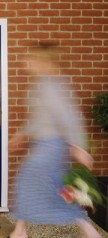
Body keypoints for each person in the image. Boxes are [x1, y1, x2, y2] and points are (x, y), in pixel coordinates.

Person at [8, 43, 102, 238]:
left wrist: (78, 147)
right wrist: (21, 135)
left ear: (42, 61)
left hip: (50, 147)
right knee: (53, 189)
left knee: (28, 183)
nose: (25, 62)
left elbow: (69, 117)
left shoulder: (52, 86)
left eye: (30, 59)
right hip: (45, 146)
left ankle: (20, 232)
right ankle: (20, 231)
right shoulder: (42, 84)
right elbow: (38, 119)